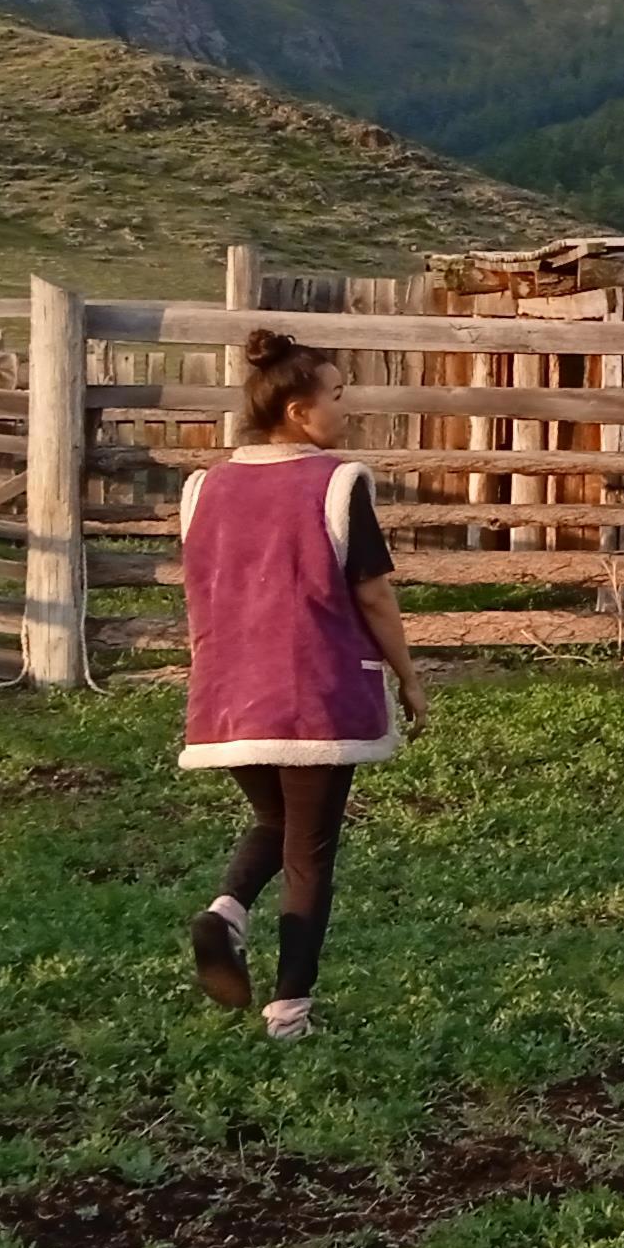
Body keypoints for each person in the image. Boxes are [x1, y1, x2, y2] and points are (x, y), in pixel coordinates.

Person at [176, 327, 424, 1040]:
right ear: (297, 412)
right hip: (314, 693)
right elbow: (373, 596)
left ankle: (225, 912)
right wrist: (409, 679)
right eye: (337, 396)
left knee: (277, 821)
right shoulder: (337, 483)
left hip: (228, 697)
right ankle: (289, 1012)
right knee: (310, 853)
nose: (345, 411)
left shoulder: (204, 489)